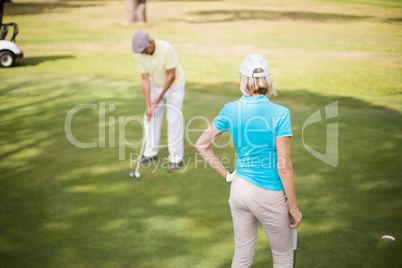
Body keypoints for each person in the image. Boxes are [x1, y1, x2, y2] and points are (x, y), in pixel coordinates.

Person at [195, 54, 302, 267]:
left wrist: (226, 176)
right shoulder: (280, 113)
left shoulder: (231, 109)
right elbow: (284, 167)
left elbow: (201, 145)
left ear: (243, 79)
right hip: (269, 193)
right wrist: (293, 207)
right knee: (282, 255)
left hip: (239, 190)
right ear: (267, 80)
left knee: (243, 254)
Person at [132, 31, 185, 172]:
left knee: (173, 120)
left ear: (150, 42)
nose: (142, 53)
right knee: (149, 117)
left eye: (144, 50)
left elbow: (171, 76)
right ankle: (150, 154)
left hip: (174, 86)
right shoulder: (139, 54)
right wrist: (149, 105)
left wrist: (158, 98)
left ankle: (176, 159)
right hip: (156, 84)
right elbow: (145, 79)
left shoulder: (166, 48)